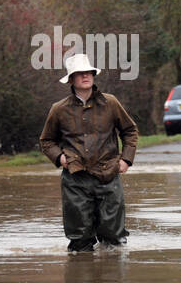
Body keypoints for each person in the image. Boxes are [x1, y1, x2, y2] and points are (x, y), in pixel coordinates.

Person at [38, 53, 139, 254]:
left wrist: (126, 160)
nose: (86, 76)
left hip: (109, 174)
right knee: (79, 238)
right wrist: (60, 158)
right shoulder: (58, 109)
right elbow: (46, 140)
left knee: (114, 237)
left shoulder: (110, 103)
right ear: (71, 79)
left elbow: (130, 131)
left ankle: (112, 279)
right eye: (80, 73)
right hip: (75, 177)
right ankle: (80, 279)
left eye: (89, 72)